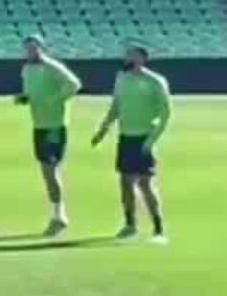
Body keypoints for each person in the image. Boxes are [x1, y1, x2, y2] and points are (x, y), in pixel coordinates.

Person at [91, 44, 172, 244]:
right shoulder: (121, 78)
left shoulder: (155, 81)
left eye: (132, 56)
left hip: (143, 137)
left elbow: (165, 113)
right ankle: (130, 224)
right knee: (125, 183)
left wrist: (152, 140)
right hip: (125, 137)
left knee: (145, 184)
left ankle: (158, 228)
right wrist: (103, 128)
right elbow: (116, 105)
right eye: (127, 56)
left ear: (142, 59)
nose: (127, 59)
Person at [13, 34, 83, 237]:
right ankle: (57, 214)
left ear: (42, 48)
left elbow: (74, 84)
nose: (31, 52)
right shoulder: (27, 69)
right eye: (28, 48)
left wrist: (56, 100)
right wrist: (25, 98)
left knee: (50, 169)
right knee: (46, 171)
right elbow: (30, 92)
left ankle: (60, 215)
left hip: (54, 125)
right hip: (39, 125)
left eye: (34, 48)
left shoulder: (52, 66)